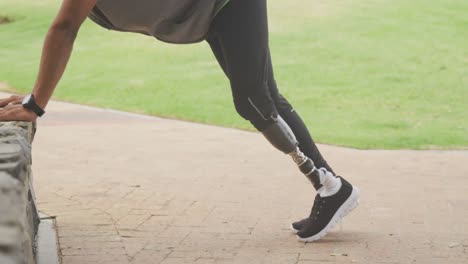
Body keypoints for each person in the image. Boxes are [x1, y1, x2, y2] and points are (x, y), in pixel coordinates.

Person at [0, 0, 360, 242]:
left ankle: (329, 184)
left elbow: (64, 29)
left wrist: (36, 103)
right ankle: (331, 187)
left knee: (254, 101)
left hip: (228, 6)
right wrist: (34, 99)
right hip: (209, 14)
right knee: (263, 98)